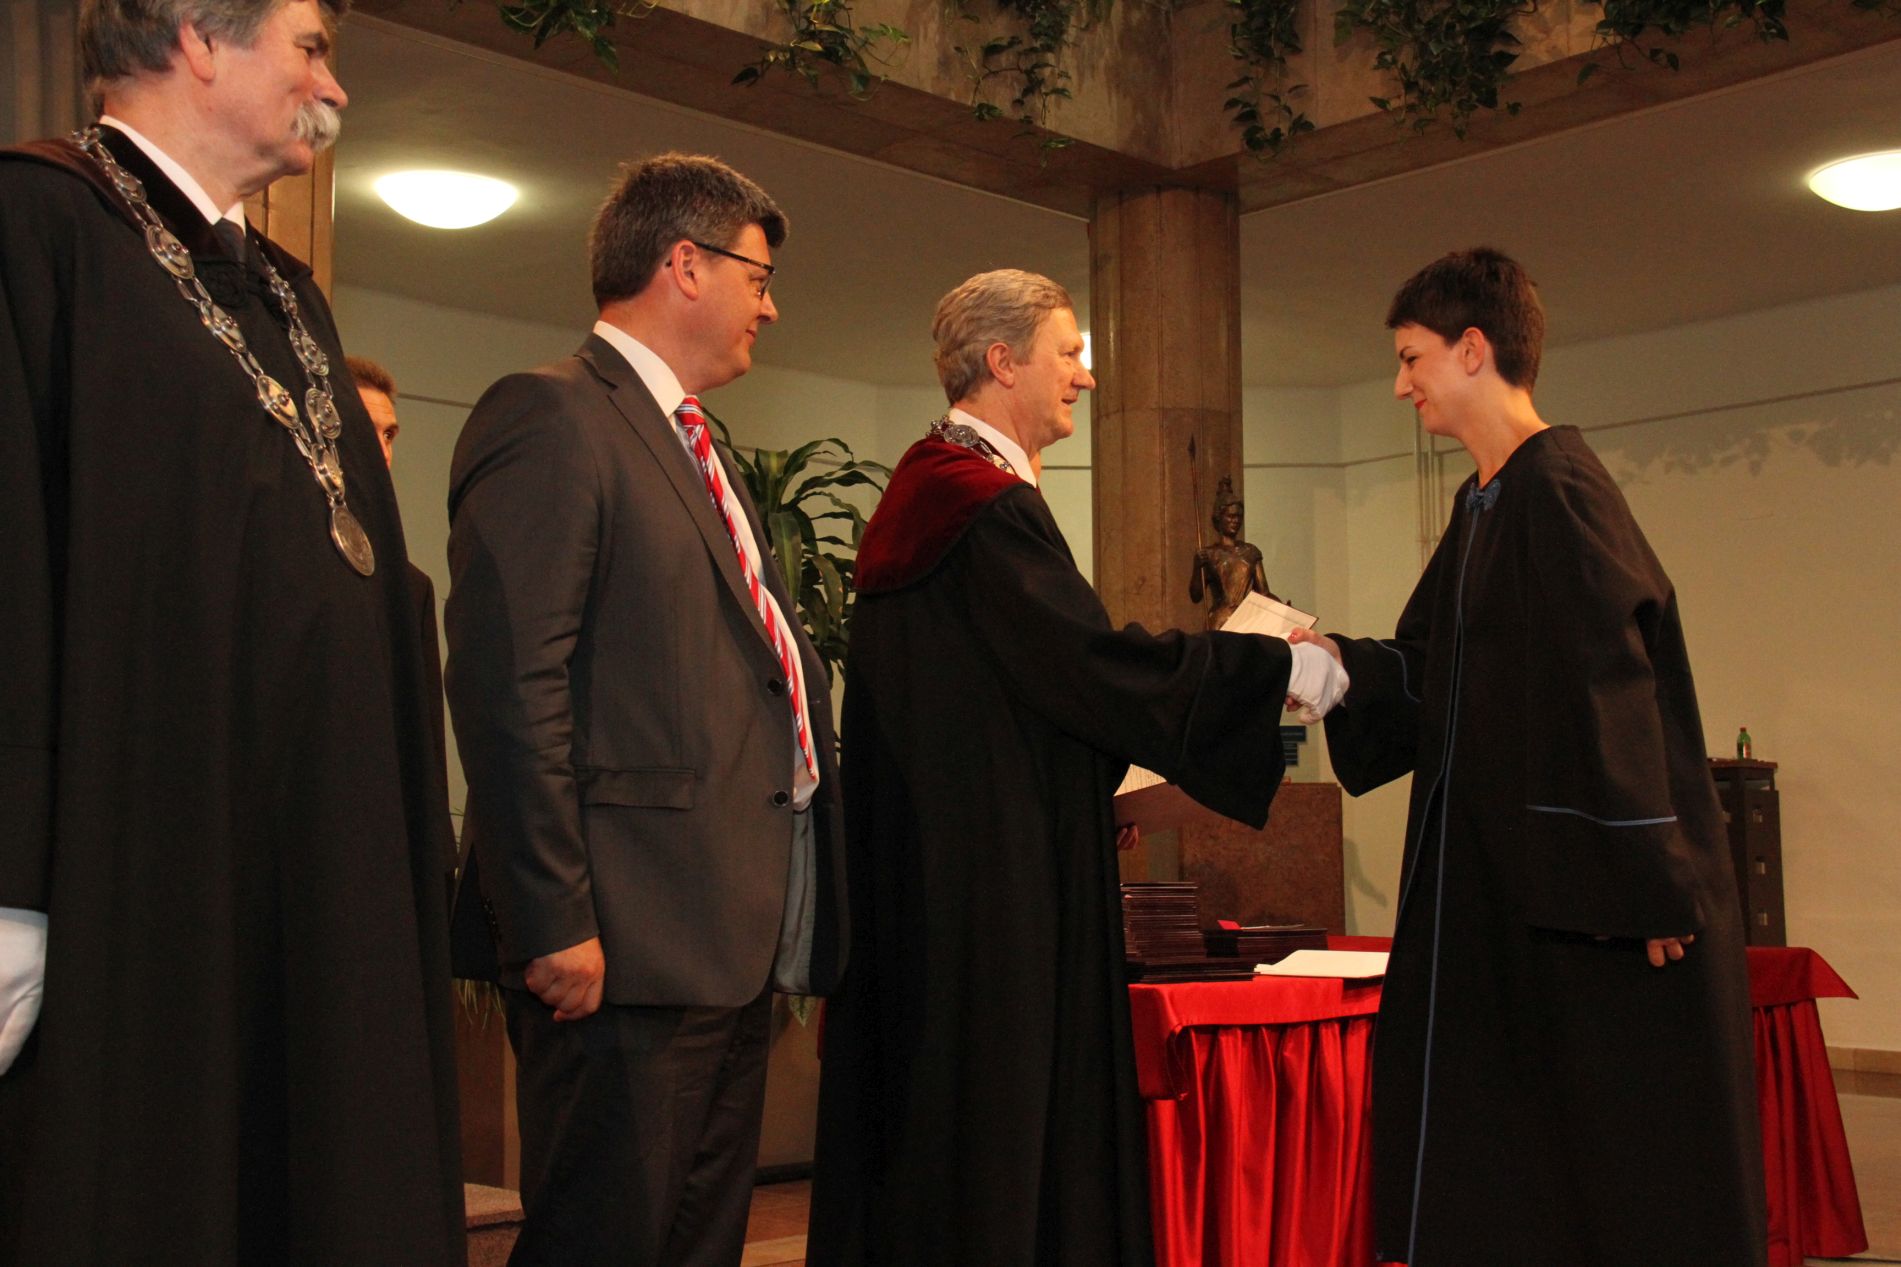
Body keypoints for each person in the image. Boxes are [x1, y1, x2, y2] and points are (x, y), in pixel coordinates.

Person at [0, 2, 465, 1262]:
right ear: (199, 39)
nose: (335, 88)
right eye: (311, 48)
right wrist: (12, 889)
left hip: (321, 865)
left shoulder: (285, 292)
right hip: (145, 871)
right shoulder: (37, 225)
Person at [806, 269, 1348, 1266]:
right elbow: (1091, 668)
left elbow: (1012, 705)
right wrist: (1267, 663)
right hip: (994, 901)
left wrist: (1078, 787)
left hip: (946, 879)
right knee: (1006, 1135)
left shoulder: (930, 495)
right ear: (1001, 361)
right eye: (1068, 353)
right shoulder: (976, 504)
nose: (1086, 377)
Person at [1290, 248, 1766, 1265]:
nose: (1400, 385)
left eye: (1411, 357)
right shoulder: (1487, 502)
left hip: (1587, 912)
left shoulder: (1555, 490)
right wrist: (1333, 667)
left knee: (1608, 1168)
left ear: (1473, 349)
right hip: (1514, 899)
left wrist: (1649, 882)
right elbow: (1433, 664)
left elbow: (1612, 686)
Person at [443, 152, 847, 1266]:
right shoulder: (551, 414)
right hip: (619, 936)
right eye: (758, 277)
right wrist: (551, 917)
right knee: (602, 1240)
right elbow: (509, 684)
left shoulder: (698, 445)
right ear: (684, 264)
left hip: (727, 933)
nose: (770, 305)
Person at [349, 355, 453, 860]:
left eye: (389, 435)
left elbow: (424, 751)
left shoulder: (409, 589)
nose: (382, 452)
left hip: (378, 840)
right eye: (364, 430)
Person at [1188, 476, 1280, 629]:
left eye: (1238, 517)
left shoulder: (1251, 552)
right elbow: (1196, 596)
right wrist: (1197, 567)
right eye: (1230, 516)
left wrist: (1282, 610)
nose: (1235, 521)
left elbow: (1264, 594)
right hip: (1221, 620)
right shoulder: (1209, 554)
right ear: (1219, 518)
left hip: (1248, 619)